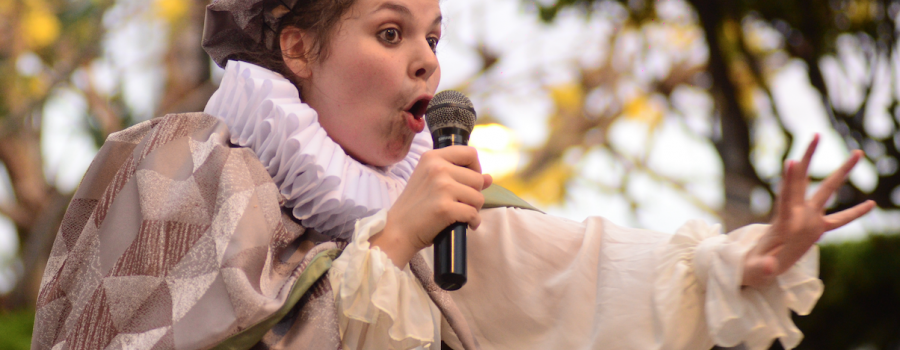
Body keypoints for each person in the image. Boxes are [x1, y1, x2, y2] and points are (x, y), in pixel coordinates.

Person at [31, 0, 875, 349]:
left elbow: (584, 270)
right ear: (297, 46)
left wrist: (743, 262)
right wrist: (390, 247)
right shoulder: (184, 161)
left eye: (433, 37)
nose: (427, 65)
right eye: (392, 33)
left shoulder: (453, 209)